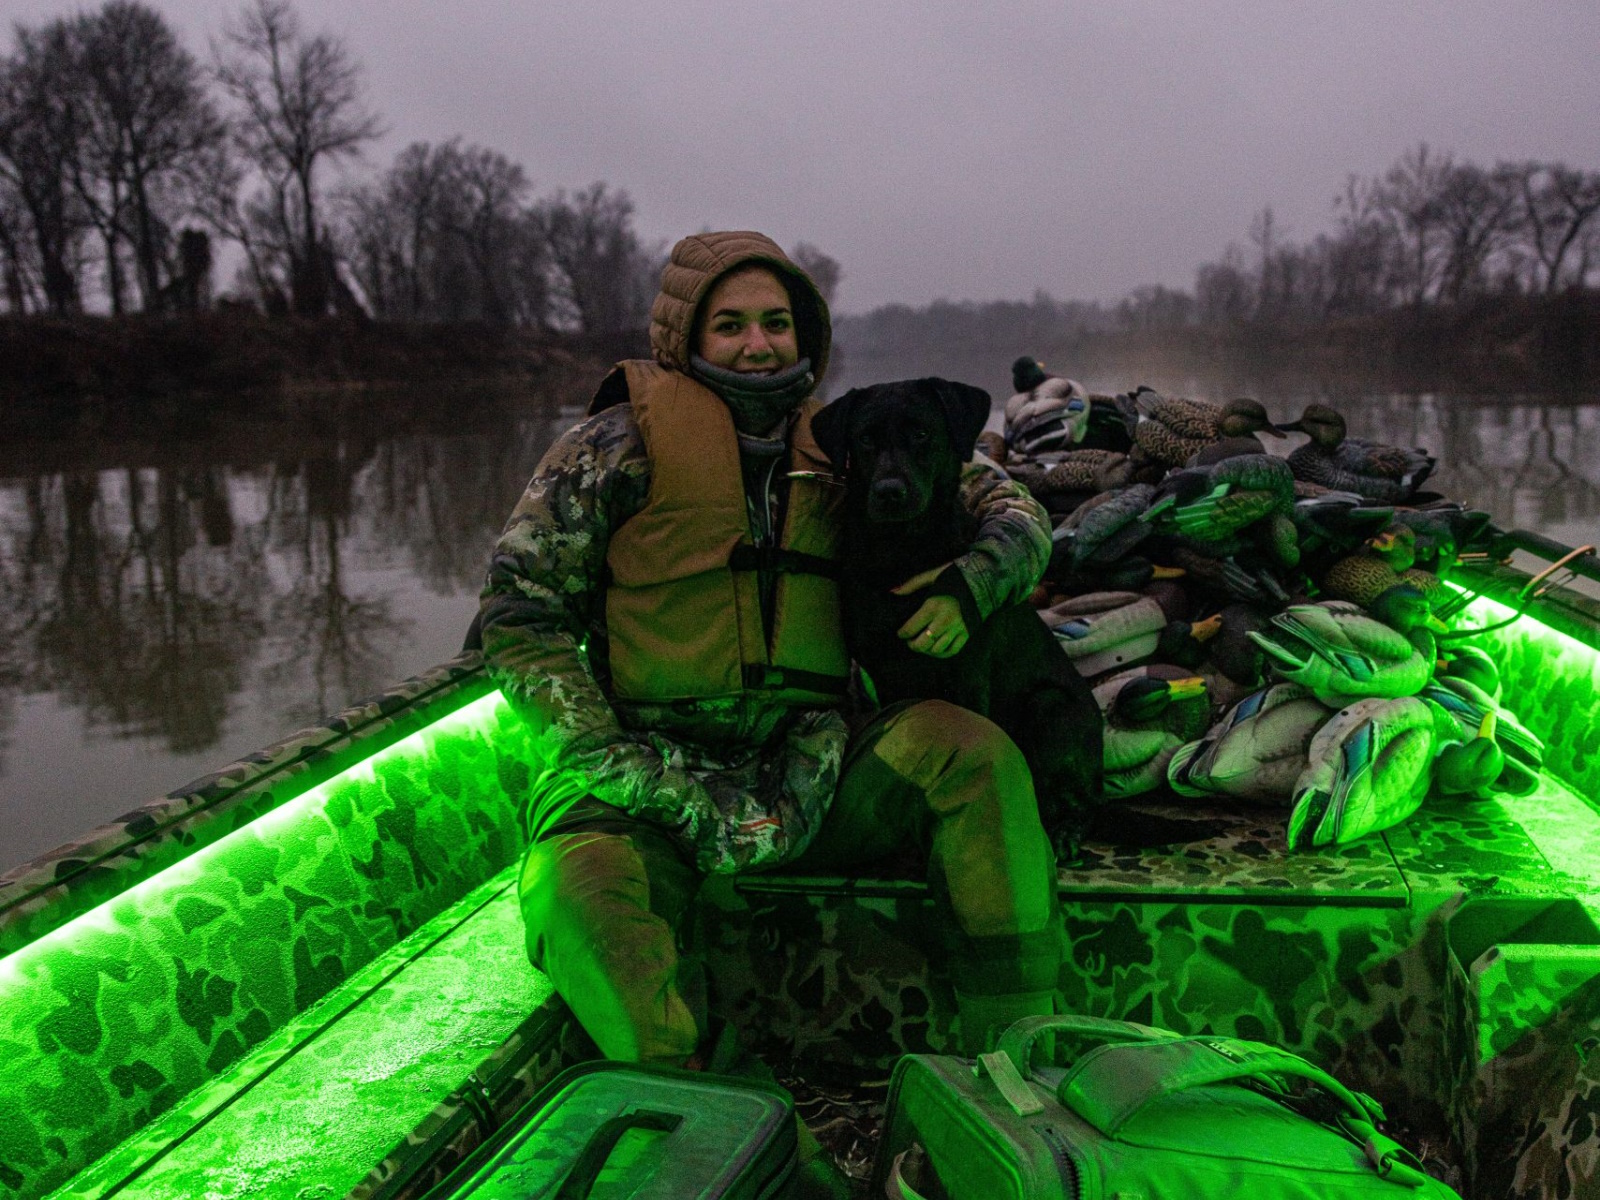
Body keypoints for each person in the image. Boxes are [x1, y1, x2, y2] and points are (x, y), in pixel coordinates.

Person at [478, 232, 1061, 1080]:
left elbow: (1019, 513)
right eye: (731, 325)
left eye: (777, 323)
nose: (758, 344)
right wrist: (602, 754)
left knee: (974, 756)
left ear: (805, 334)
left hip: (812, 768)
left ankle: (1016, 1071)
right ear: (687, 335)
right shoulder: (609, 447)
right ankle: (727, 1120)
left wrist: (973, 583)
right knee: (577, 901)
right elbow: (516, 615)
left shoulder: (850, 437)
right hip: (641, 781)